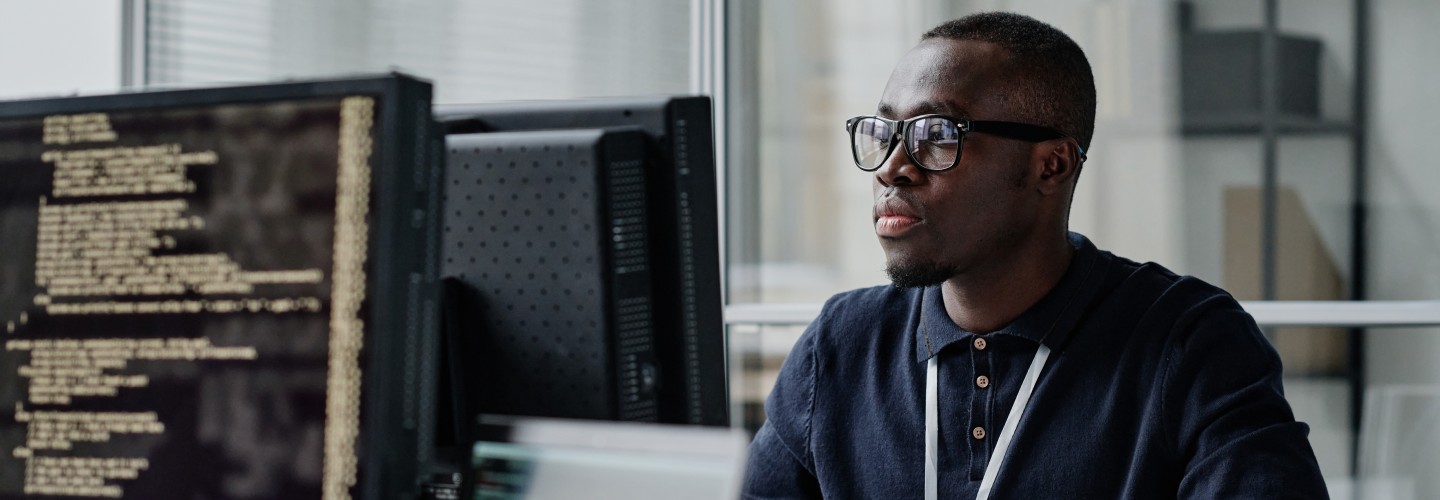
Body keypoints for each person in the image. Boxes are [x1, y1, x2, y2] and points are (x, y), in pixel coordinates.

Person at [743, 12, 1328, 499]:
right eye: (886, 132)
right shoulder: (841, 346)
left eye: (936, 135)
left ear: (1050, 165)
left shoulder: (1189, 343)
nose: (893, 166)